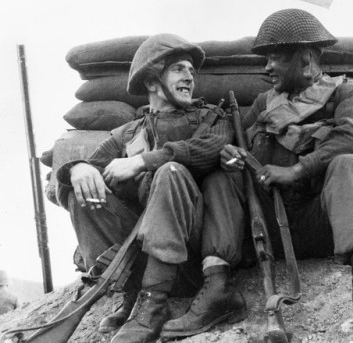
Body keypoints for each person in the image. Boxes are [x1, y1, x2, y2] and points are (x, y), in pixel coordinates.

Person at [163, 10, 353, 340]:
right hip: (265, 230)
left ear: (307, 58)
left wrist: (296, 170)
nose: (267, 68)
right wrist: (231, 157)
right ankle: (217, 284)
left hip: (322, 222)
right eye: (266, 60)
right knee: (218, 178)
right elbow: (229, 144)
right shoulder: (262, 104)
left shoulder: (348, 93)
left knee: (348, 162)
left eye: (276, 58)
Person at [56, 33, 247, 343]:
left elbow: (213, 148)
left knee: (170, 172)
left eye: (191, 71)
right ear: (151, 82)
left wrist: (144, 161)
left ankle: (153, 305)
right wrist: (76, 168)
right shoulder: (127, 131)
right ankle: (130, 293)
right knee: (82, 193)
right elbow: (84, 170)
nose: (189, 77)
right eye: (178, 69)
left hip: (193, 256)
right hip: (139, 254)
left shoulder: (213, 118)